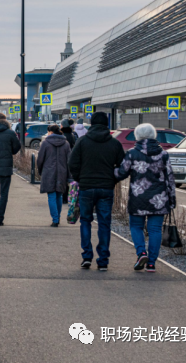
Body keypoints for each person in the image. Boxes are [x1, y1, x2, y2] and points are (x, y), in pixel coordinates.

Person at [114, 123, 176, 273]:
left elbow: (121, 173)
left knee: (136, 227)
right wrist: (172, 200)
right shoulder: (164, 154)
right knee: (155, 230)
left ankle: (141, 253)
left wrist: (108, 170)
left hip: (138, 197)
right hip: (159, 198)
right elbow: (170, 178)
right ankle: (151, 263)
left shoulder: (132, 153)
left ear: (137, 135)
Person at [68, 112, 125, 271]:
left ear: (91, 124)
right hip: (106, 188)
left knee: (85, 221)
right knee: (104, 224)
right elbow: (123, 167)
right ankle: (103, 260)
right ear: (107, 124)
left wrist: (80, 177)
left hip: (86, 187)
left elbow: (72, 163)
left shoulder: (82, 141)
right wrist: (113, 179)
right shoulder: (114, 143)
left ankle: (87, 256)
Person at [37, 125, 71, 227]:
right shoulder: (66, 144)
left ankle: (55, 219)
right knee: (59, 196)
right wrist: (69, 175)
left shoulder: (46, 143)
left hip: (48, 172)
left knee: (51, 196)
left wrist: (40, 171)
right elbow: (69, 160)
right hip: (62, 172)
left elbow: (40, 159)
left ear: (50, 132)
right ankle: (58, 217)